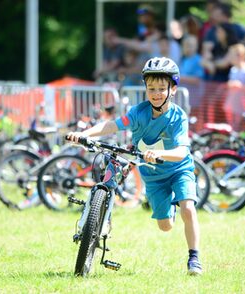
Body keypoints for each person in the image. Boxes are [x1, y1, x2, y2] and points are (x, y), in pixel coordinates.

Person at [65, 57, 203, 276]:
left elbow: (182, 152)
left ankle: (194, 258)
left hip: (178, 170)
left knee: (188, 207)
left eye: (161, 88)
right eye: (151, 89)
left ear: (173, 89)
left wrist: (158, 153)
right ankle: (169, 208)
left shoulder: (178, 117)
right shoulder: (139, 113)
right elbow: (113, 125)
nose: (156, 93)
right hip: (153, 176)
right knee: (165, 226)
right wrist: (84, 134)